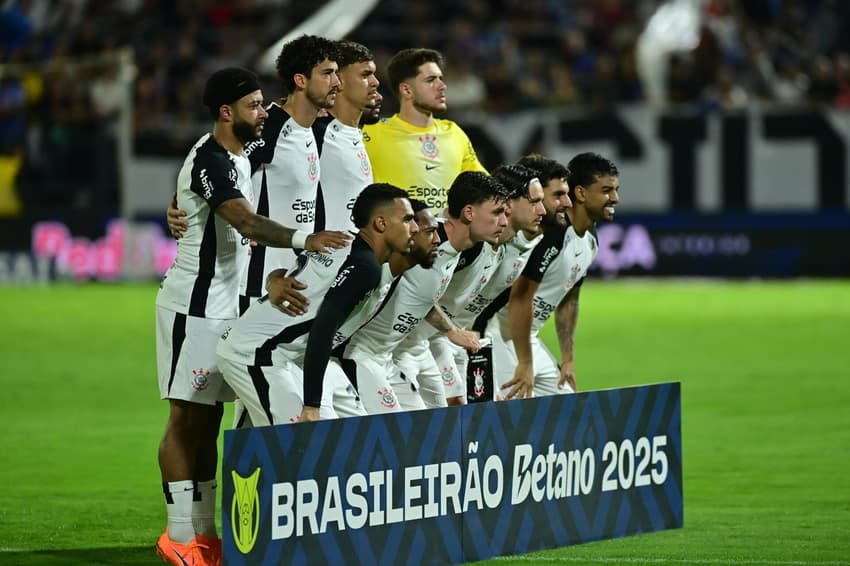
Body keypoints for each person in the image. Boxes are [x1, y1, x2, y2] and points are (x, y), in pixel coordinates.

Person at [153, 67, 344, 566]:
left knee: (211, 421)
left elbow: (283, 126)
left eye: (262, 104)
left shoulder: (245, 149)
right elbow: (245, 220)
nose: (263, 113)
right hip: (193, 306)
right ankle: (177, 535)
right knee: (186, 420)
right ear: (225, 112)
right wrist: (304, 239)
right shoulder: (211, 159)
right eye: (254, 106)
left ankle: (204, 533)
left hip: (228, 305)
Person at [166, 35, 351, 315]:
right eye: (328, 73)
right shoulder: (268, 130)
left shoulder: (317, 128)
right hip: (258, 286)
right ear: (301, 80)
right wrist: (180, 204)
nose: (337, 82)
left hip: (298, 277)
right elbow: (214, 175)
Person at [216, 183, 419, 425]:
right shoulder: (366, 268)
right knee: (300, 440)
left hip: (272, 352)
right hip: (257, 354)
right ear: (381, 223)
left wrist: (273, 279)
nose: (415, 228)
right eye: (407, 220)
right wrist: (312, 405)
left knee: (275, 440)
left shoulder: (342, 241)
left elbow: (292, 273)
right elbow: (323, 329)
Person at [337, 172, 510, 413]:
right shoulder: (418, 239)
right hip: (360, 353)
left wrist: (451, 330)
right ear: (469, 213)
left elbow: (421, 296)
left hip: (390, 355)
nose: (504, 222)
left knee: (432, 426)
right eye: (497, 212)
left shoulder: (462, 249)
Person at [492, 152, 619, 399]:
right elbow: (521, 297)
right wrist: (525, 363)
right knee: (512, 415)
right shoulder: (550, 233)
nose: (615, 198)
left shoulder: (590, 240)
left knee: (569, 409)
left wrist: (568, 359)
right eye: (606, 190)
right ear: (581, 193)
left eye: (615, 190)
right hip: (500, 337)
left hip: (529, 339)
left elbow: (569, 299)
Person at [420, 164, 545, 406]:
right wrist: (452, 331)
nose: (542, 210)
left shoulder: (504, 246)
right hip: (428, 338)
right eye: (534, 201)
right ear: (509, 203)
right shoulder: (469, 243)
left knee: (475, 407)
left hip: (449, 338)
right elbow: (417, 290)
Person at [362, 47, 487, 210]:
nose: (442, 86)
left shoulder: (454, 133)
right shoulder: (371, 133)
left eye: (441, 78)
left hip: (447, 227)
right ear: (406, 90)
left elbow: (484, 189)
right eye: (430, 80)